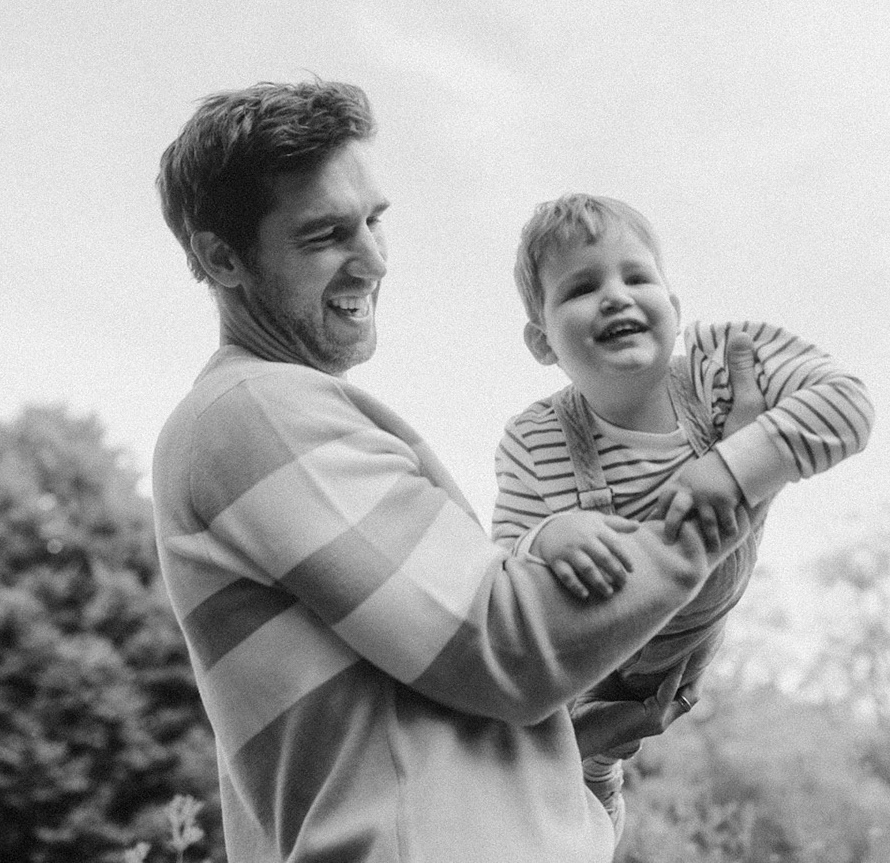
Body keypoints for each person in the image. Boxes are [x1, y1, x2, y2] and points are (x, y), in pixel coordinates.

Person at [150, 80, 765, 863]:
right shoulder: (256, 412)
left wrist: (586, 765)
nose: (373, 260)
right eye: (326, 235)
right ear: (221, 256)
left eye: (374, 221)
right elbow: (506, 647)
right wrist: (734, 482)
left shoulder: (275, 418)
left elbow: (456, 701)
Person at [493, 193, 875, 828]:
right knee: (541, 768)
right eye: (582, 288)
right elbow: (502, 569)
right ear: (542, 342)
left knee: (590, 770)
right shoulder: (535, 439)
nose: (616, 297)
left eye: (637, 277)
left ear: (673, 307)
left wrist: (732, 466)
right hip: (588, 657)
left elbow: (847, 406)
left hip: (678, 653)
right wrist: (551, 534)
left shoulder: (718, 369)